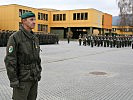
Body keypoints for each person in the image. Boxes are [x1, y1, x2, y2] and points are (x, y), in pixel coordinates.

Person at [4, 12, 42, 100]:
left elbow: (37, 58)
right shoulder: (15, 37)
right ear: (24, 21)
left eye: (34, 19)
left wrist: (38, 71)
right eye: (31, 20)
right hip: (22, 79)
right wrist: (14, 80)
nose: (34, 22)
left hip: (34, 78)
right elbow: (10, 60)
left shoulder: (34, 38)